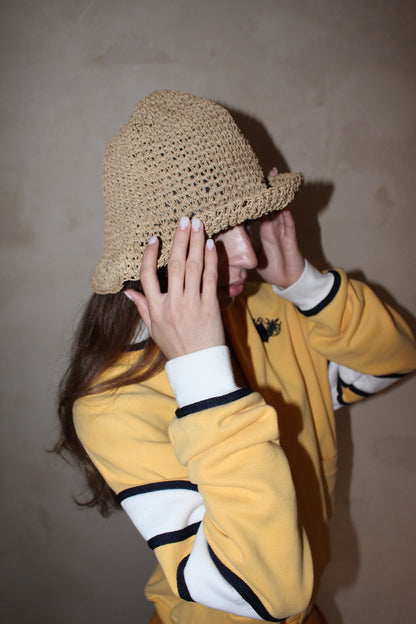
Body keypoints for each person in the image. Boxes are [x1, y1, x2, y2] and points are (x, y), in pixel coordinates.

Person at [56, 90, 416, 624]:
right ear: (154, 258)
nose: (249, 255)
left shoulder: (268, 310)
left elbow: (393, 361)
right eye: (216, 237)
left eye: (245, 224)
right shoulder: (113, 401)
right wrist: (202, 372)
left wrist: (305, 284)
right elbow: (269, 592)